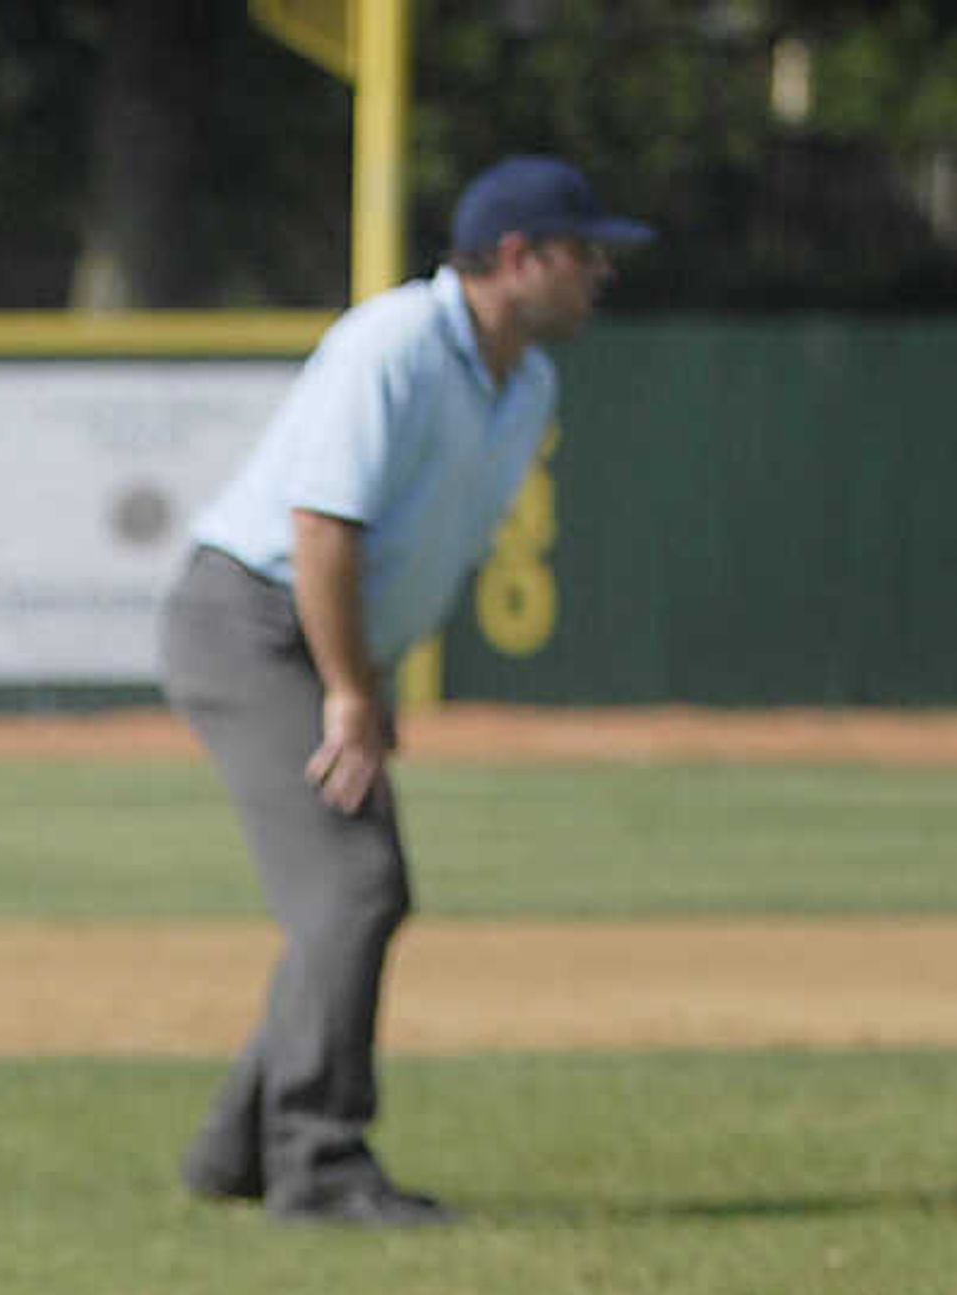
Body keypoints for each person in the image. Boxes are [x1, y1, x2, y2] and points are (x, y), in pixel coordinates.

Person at [163, 155, 649, 1227]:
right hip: (248, 621)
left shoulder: (526, 381)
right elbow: (322, 526)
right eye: (583, 253)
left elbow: (410, 548)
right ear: (517, 259)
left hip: (322, 640)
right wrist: (348, 691)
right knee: (356, 885)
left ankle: (238, 1147)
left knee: (351, 892)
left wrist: (364, 680)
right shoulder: (394, 341)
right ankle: (318, 1159)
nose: (599, 275)